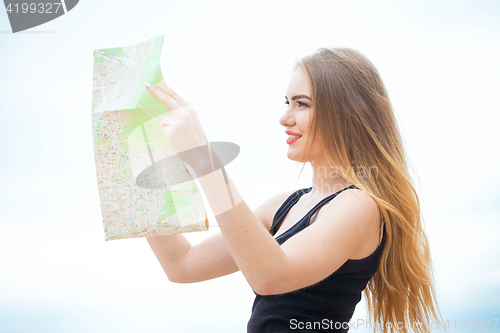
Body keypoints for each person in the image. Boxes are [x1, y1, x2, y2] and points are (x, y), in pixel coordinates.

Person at [145, 48, 442, 333]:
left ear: (346, 113)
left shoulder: (359, 205)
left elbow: (271, 278)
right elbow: (181, 265)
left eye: (302, 104)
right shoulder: (281, 207)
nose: (285, 118)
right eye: (287, 102)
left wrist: (203, 158)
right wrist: (128, 170)